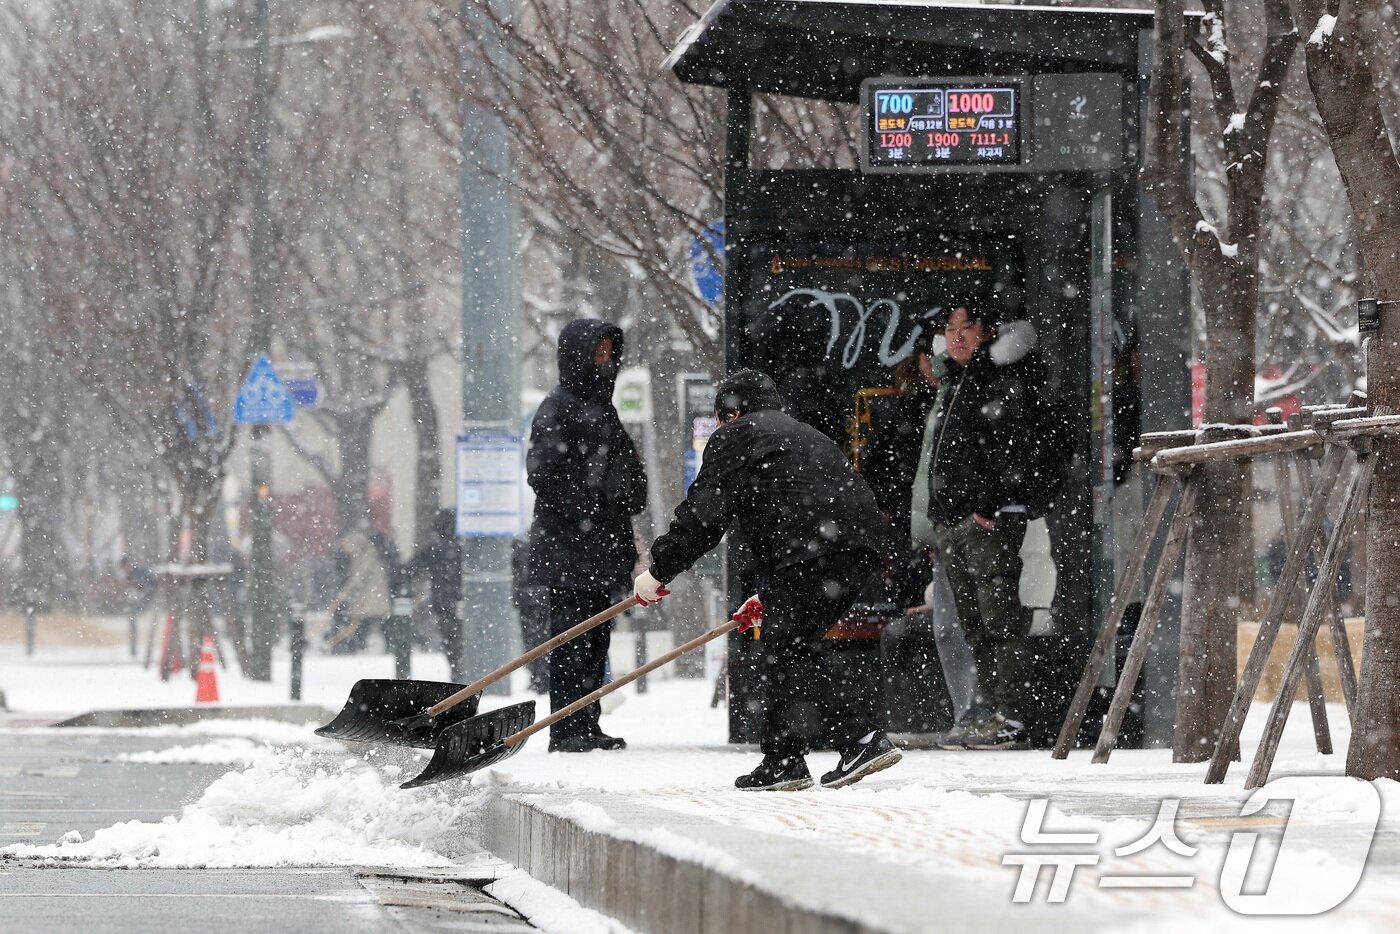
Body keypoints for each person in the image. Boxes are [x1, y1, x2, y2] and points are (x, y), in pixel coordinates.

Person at [633, 369, 899, 791]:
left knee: (788, 648)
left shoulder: (735, 435)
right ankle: (784, 758)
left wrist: (658, 571)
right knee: (786, 642)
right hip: (859, 544)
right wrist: (767, 593)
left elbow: (704, 517)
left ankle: (860, 738)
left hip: (816, 548)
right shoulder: (800, 432)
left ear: (729, 413)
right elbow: (790, 506)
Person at [924, 299, 1048, 751]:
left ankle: (1009, 713)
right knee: (975, 622)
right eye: (950, 327)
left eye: (967, 327)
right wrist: (942, 516)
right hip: (955, 519)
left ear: (987, 333)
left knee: (999, 617)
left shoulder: (998, 378)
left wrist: (989, 504)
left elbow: (1013, 444)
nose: (957, 336)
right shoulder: (956, 381)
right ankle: (990, 709)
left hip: (983, 519)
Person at [526, 318, 647, 753]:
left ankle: (586, 721)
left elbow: (624, 470)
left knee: (596, 640)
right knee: (571, 641)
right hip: (570, 550)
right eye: (597, 353)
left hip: (600, 549)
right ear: (577, 356)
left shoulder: (605, 411)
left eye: (609, 353)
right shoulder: (557, 408)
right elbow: (544, 473)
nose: (605, 362)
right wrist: (591, 507)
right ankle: (567, 727)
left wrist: (627, 490)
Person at [407, 509, 466, 681]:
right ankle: (463, 670)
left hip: (443, 600)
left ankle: (457, 670)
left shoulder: (434, 547)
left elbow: (411, 567)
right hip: (464, 599)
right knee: (462, 638)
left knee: (450, 639)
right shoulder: (464, 546)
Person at [324, 526, 392, 654]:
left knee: (362, 622)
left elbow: (358, 578)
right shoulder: (367, 553)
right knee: (373, 622)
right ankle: (382, 645)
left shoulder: (364, 556)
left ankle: (358, 647)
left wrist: (344, 592)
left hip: (370, 595)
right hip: (372, 595)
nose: (345, 550)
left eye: (346, 546)